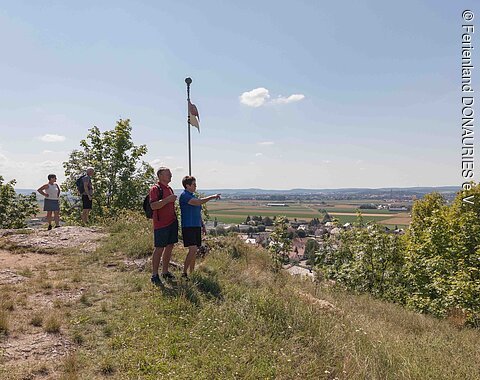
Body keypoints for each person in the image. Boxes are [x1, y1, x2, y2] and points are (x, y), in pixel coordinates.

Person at [179, 176, 220, 279]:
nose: (195, 186)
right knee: (192, 249)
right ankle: (184, 273)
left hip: (196, 225)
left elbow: (197, 211)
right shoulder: (185, 196)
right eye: (194, 184)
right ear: (187, 185)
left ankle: (192, 273)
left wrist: (202, 225)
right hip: (188, 226)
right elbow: (198, 202)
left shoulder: (192, 195)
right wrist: (212, 197)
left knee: (194, 250)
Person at [149, 167, 178, 286]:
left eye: (170, 174)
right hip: (161, 224)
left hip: (171, 222)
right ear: (160, 175)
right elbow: (153, 206)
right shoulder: (155, 189)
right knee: (159, 248)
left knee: (170, 246)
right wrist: (167, 200)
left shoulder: (169, 188)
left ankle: (165, 272)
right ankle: (154, 275)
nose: (170, 175)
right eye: (168, 174)